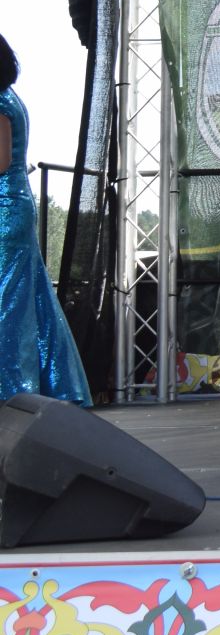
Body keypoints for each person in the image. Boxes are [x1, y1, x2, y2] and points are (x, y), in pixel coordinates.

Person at [0, 33, 91, 404]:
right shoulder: (10, 97)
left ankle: (13, 391)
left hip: (4, 213)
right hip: (13, 208)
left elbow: (1, 161)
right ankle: (53, 389)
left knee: (8, 305)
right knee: (30, 301)